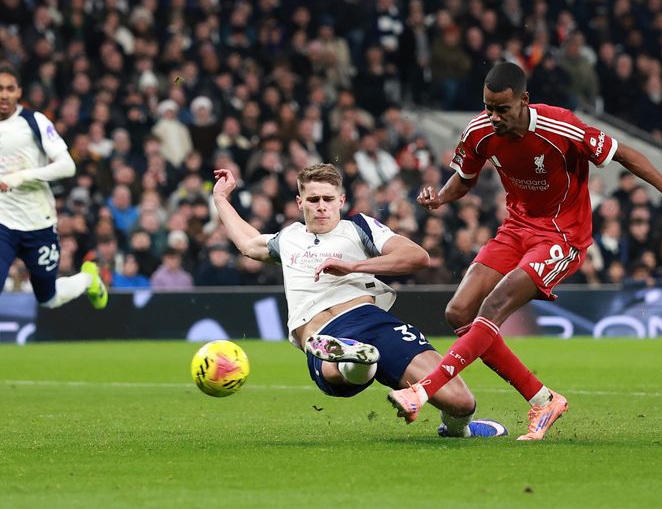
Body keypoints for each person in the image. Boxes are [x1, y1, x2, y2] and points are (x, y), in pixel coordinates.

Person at [387, 62, 662, 440]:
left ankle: (422, 391)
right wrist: (440, 197)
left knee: (493, 307)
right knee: (458, 311)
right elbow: (464, 178)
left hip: (563, 236)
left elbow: (624, 154)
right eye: (488, 107)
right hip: (516, 229)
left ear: (524, 100)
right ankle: (543, 399)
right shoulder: (479, 132)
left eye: (502, 109)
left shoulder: (562, 126)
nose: (493, 117)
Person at [213, 163, 506, 438]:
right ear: (300, 202)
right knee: (338, 370)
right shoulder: (288, 238)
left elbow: (417, 257)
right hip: (320, 331)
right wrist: (221, 199)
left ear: (341, 200)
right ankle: (355, 356)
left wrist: (353, 266)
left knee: (461, 401)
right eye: (313, 199)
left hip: (372, 320)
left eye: (328, 198)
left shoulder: (358, 228)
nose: (321, 206)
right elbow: (248, 244)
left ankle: (457, 429)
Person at [0, 66, 108, 396]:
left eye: (10, 89)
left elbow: (67, 165)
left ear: (19, 93)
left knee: (46, 299)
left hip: (38, 224)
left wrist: (21, 177)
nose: (4, 95)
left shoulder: (35, 122)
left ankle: (89, 278)